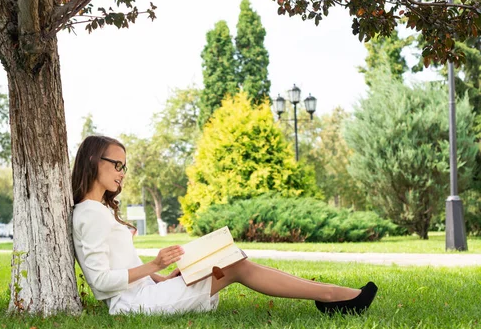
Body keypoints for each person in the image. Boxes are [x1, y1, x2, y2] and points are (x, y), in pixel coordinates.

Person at [71, 135, 378, 316]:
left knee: (232, 258)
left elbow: (125, 269)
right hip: (133, 306)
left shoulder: (100, 211)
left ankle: (330, 296)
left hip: (147, 294)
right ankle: (331, 297)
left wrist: (166, 276)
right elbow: (100, 283)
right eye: (117, 165)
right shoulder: (89, 213)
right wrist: (155, 264)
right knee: (237, 267)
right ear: (93, 161)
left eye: (124, 166)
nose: (122, 173)